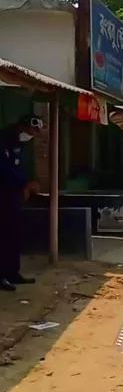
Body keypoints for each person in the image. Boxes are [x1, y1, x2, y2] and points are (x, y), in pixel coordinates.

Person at [0, 116, 43, 292]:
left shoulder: (19, 142)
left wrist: (25, 184)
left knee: (14, 234)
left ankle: (12, 273)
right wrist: (24, 183)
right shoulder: (3, 140)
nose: (31, 136)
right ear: (21, 126)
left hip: (13, 195)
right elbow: (3, 169)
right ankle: (1, 276)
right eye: (30, 132)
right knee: (3, 235)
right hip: (2, 195)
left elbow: (17, 167)